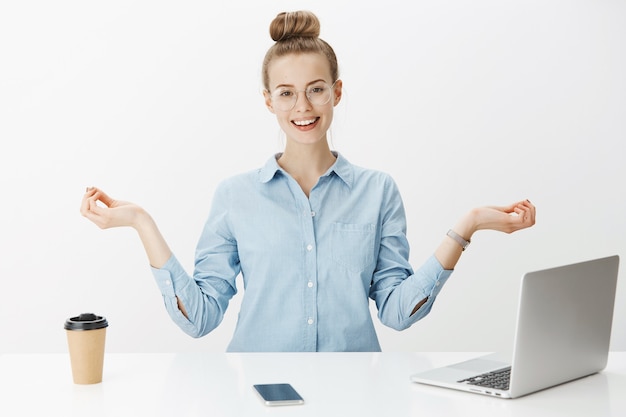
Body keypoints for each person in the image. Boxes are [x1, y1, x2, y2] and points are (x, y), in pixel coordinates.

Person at [80, 10, 536, 352]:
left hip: (356, 393)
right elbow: (199, 319)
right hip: (258, 393)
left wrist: (468, 226)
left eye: (316, 89)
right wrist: (141, 222)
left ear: (337, 91)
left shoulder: (378, 192)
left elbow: (397, 313)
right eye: (287, 93)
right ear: (268, 101)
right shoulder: (235, 196)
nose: (303, 107)